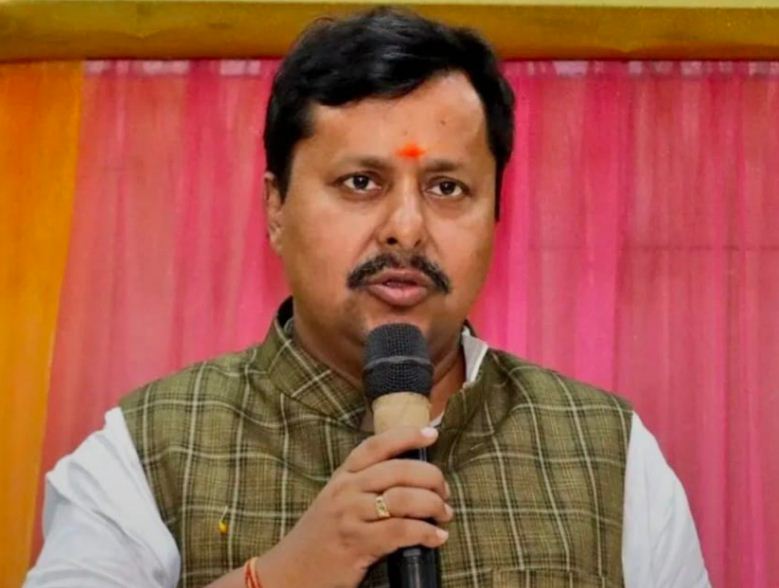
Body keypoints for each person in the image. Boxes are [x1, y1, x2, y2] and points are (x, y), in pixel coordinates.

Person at [25, 8, 709, 588]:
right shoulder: (146, 450)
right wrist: (283, 576)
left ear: (497, 214)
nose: (406, 228)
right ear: (276, 209)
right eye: (361, 183)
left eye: (446, 188)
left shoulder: (608, 452)